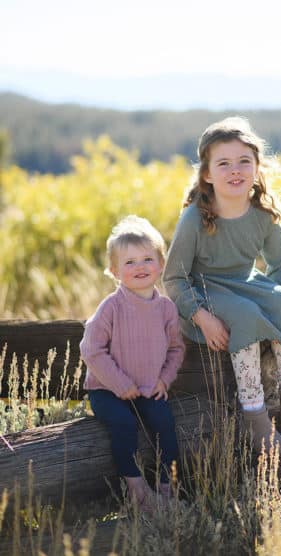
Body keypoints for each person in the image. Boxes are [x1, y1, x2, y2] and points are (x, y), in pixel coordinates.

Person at [163, 116, 281, 458]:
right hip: (204, 294)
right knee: (243, 314)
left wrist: (276, 314)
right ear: (207, 174)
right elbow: (174, 279)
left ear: (257, 167)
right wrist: (201, 317)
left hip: (246, 284)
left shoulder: (260, 214)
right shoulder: (195, 218)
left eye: (244, 162)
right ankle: (256, 421)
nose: (235, 170)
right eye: (223, 163)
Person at [80, 215, 185, 513]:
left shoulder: (166, 308)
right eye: (129, 262)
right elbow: (91, 350)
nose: (140, 267)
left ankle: (167, 489)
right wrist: (120, 385)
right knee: (124, 424)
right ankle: (139, 494)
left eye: (147, 259)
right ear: (114, 271)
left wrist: (164, 380)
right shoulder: (111, 307)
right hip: (107, 389)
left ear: (161, 264)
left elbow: (176, 348)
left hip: (149, 387)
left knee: (165, 424)